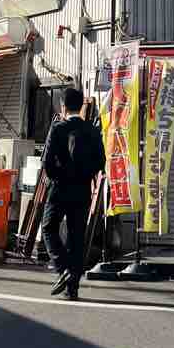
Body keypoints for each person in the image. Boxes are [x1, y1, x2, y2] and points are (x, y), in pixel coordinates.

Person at [41, 88, 105, 301]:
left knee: (48, 227)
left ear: (63, 107)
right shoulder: (92, 130)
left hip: (59, 188)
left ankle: (63, 268)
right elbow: (101, 161)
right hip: (82, 190)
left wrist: (58, 176)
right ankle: (72, 289)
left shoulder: (58, 128)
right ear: (81, 107)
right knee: (76, 237)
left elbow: (47, 163)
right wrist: (85, 176)